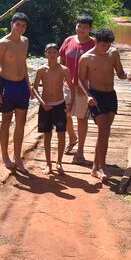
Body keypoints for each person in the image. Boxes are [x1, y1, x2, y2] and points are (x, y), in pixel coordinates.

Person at [77, 28, 131, 181]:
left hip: (110, 96)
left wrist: (129, 76)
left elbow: (120, 73)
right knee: (104, 130)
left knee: (104, 132)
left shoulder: (113, 54)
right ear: (96, 42)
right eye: (103, 46)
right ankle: (101, 168)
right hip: (96, 96)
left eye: (108, 46)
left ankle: (95, 167)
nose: (105, 49)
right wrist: (88, 96)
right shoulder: (86, 58)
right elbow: (80, 80)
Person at [0, 12, 32, 172]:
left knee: (21, 121)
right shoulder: (3, 43)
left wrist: (29, 86)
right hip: (7, 85)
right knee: (6, 120)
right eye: (18, 25)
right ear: (12, 24)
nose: (20, 28)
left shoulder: (25, 41)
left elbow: (23, 64)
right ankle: (5, 156)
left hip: (21, 85)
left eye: (23, 26)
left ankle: (17, 157)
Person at [32, 43, 75, 175]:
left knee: (61, 134)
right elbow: (34, 88)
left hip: (60, 105)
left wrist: (71, 104)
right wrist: (42, 103)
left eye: (54, 52)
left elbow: (72, 88)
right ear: (45, 54)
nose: (51, 54)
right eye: (49, 52)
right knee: (47, 135)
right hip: (45, 106)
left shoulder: (64, 69)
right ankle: (48, 164)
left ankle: (59, 162)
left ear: (58, 54)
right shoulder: (41, 70)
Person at [59, 14, 96, 164]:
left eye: (85, 27)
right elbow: (61, 61)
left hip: (83, 88)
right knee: (65, 115)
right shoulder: (68, 40)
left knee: (81, 118)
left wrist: (88, 87)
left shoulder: (94, 44)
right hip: (67, 86)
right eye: (79, 26)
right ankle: (72, 137)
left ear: (90, 29)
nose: (81, 29)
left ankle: (80, 151)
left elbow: (96, 67)